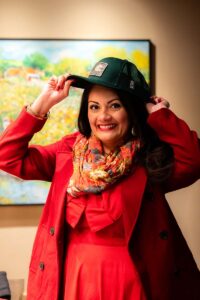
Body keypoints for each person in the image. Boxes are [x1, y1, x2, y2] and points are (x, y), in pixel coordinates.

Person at [0, 57, 199, 300]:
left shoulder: (148, 159)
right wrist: (40, 106)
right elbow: (7, 157)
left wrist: (160, 115)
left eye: (114, 106)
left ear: (132, 110)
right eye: (94, 106)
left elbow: (194, 161)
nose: (103, 116)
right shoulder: (67, 152)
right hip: (73, 280)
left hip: (133, 283)